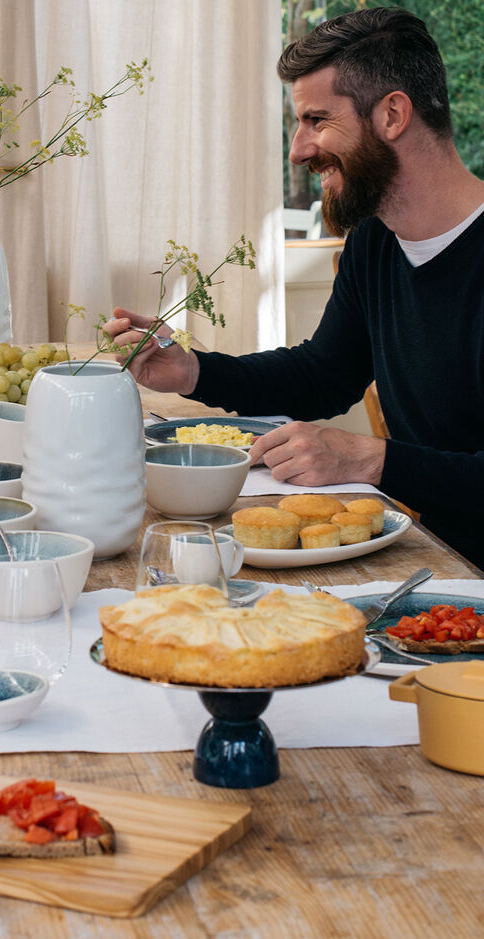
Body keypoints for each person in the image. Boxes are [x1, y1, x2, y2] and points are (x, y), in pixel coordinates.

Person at [105, 7, 484, 570]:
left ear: (393, 114)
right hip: (435, 562)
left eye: (316, 120)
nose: (298, 149)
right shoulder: (375, 243)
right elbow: (323, 377)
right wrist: (194, 372)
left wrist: (374, 460)